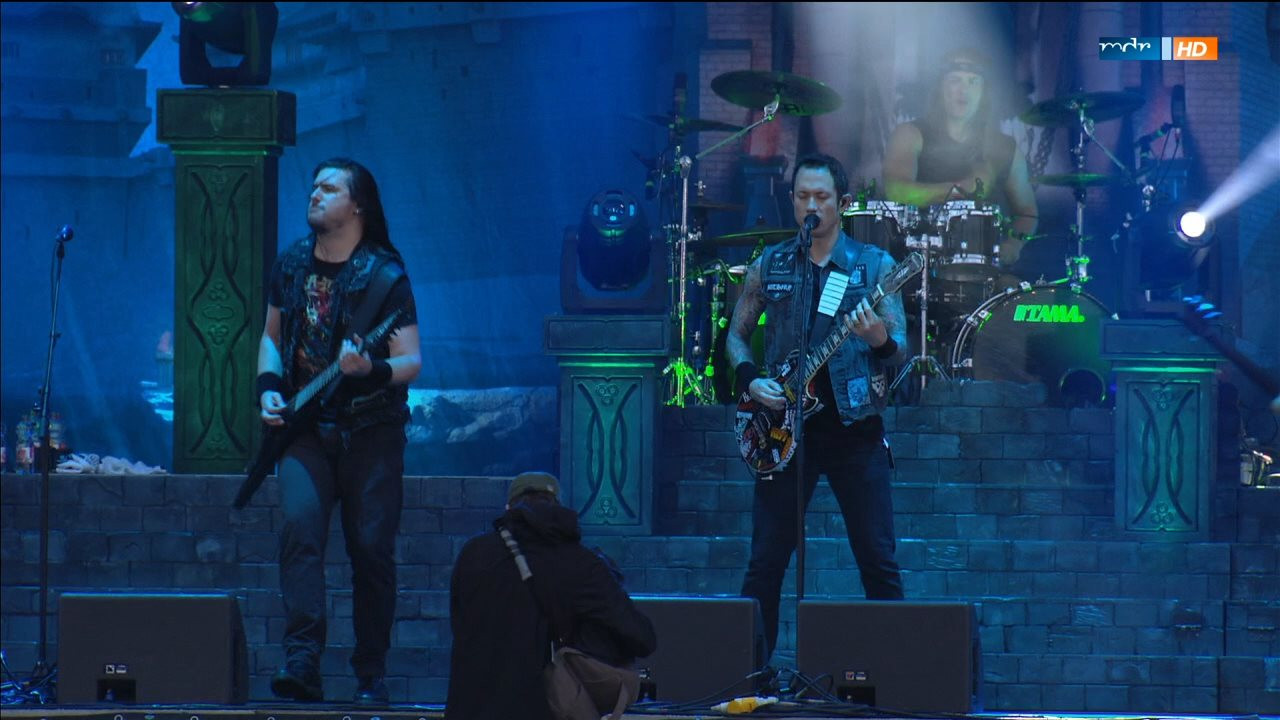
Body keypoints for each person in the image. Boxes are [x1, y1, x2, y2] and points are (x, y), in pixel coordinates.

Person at [726, 153, 909, 661]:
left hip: (855, 431)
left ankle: (895, 674)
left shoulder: (874, 266)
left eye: (822, 197)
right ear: (791, 201)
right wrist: (750, 379)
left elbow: (901, 351)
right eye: (803, 196)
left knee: (878, 560)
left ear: (843, 203)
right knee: (765, 563)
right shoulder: (770, 265)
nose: (812, 205)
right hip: (783, 432)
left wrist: (878, 339)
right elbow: (736, 336)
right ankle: (752, 673)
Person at [257, 157, 421, 705]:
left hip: (371, 430)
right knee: (299, 534)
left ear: (358, 206)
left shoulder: (385, 276)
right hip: (304, 429)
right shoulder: (291, 263)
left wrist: (368, 369)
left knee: (370, 550)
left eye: (329, 188)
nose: (315, 193)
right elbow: (271, 335)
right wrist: (268, 387)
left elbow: (411, 361)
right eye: (314, 185)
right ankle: (301, 661)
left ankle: (370, 672)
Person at [446, 472, 657, 720]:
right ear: (558, 505)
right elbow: (642, 637)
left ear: (508, 508)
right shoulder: (579, 563)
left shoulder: (473, 554)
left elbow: (459, 626)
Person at [883, 48, 1039, 265]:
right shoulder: (910, 134)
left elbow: (1027, 212)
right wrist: (958, 191)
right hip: (920, 266)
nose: (964, 90)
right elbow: (896, 190)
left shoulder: (1003, 148)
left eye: (973, 81)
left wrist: (1013, 245)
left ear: (984, 91)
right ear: (940, 87)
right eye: (955, 80)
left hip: (984, 269)